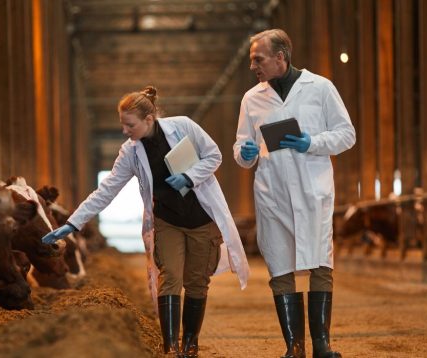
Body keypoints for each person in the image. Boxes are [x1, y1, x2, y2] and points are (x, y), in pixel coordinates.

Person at [42, 86, 249, 357]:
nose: (125, 130)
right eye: (122, 124)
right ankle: (170, 347)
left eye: (130, 125)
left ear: (148, 119)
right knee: (170, 276)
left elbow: (214, 156)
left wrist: (189, 177)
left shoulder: (184, 126)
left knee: (197, 281)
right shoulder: (130, 152)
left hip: (202, 219)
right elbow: (106, 190)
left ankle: (190, 344)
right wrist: (72, 224)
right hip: (167, 220)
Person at [233, 29, 355, 358]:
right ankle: (294, 347)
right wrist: (245, 153)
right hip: (272, 194)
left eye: (257, 60)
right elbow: (241, 146)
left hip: (313, 192)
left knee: (321, 264)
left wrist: (312, 142)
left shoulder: (320, 88)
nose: (253, 66)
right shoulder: (251, 98)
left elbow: (347, 134)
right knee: (280, 267)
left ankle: (322, 346)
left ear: (280, 57)